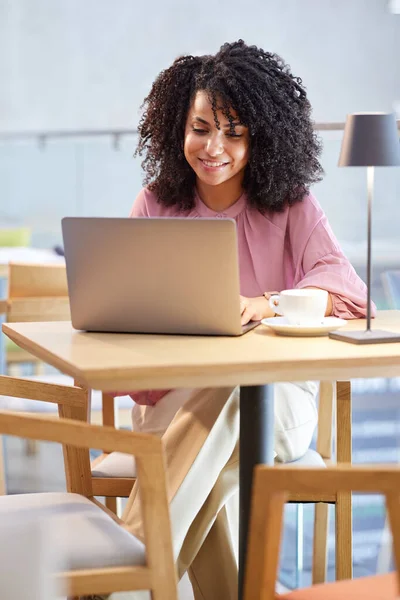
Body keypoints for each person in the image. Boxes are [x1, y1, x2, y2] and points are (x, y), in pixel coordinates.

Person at [115, 40, 372, 600]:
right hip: (171, 405)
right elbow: (127, 326)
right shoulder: (154, 205)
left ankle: (123, 567)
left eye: (235, 132)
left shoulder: (291, 206)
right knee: (211, 470)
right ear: (176, 128)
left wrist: (270, 303)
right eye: (201, 128)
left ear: (261, 138)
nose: (214, 147)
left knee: (238, 380)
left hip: (277, 404)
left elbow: (350, 292)